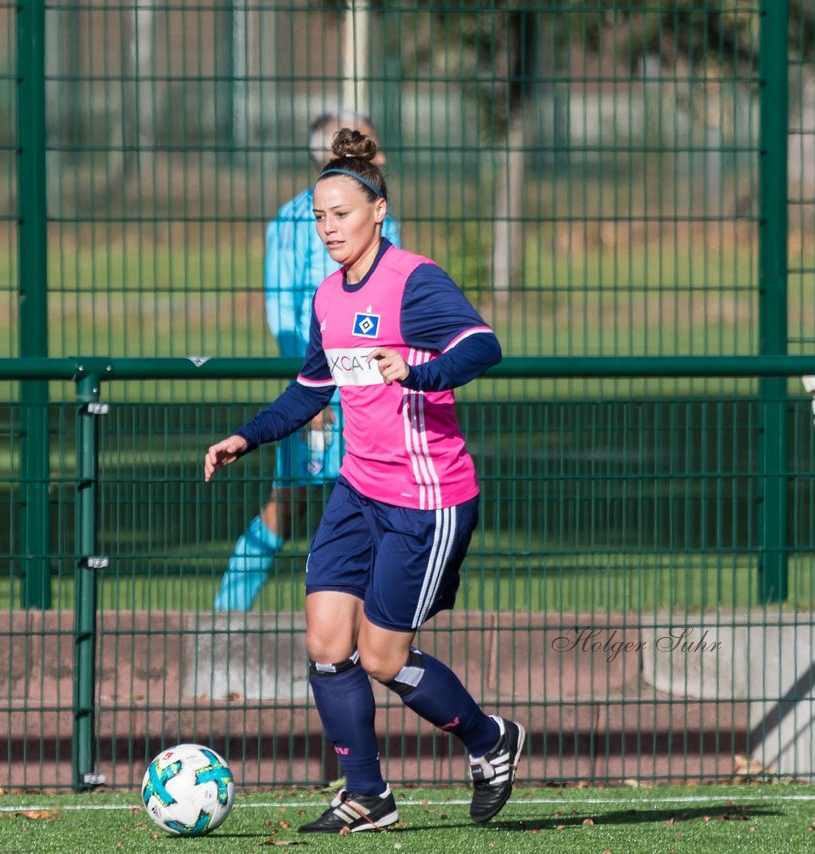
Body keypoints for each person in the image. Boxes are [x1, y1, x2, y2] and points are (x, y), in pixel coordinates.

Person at [204, 128, 524, 832]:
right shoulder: (328, 297)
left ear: (378, 211)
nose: (327, 229)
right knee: (325, 640)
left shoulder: (414, 280)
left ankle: (488, 740)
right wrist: (246, 437)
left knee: (382, 656)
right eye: (319, 217)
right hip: (358, 490)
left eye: (341, 214)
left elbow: (482, 344)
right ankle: (368, 795)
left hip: (425, 497)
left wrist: (420, 370)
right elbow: (310, 387)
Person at [213, 111, 402, 613]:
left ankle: (373, 627)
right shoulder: (293, 220)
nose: (379, 155)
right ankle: (225, 621)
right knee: (288, 503)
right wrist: (311, 393)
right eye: (367, 145)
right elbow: (283, 312)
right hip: (324, 396)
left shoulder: (386, 220)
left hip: (373, 397)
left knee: (380, 510)